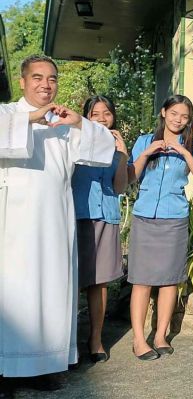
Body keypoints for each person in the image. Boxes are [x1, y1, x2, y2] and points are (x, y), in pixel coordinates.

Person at [0, 55, 115, 399]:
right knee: (13, 295)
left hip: (55, 219)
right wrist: (31, 118)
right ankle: (5, 372)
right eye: (37, 78)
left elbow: (103, 150)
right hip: (13, 223)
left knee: (52, 290)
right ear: (22, 81)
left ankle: (45, 367)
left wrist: (79, 122)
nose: (45, 85)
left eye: (52, 79)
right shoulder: (7, 114)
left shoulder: (63, 122)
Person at [128, 95, 193, 360]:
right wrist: (146, 152)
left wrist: (186, 153)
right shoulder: (144, 140)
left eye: (184, 116)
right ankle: (139, 339)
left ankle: (161, 334)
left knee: (169, 281)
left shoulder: (191, 145)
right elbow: (131, 177)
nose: (178, 119)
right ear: (164, 112)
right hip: (144, 217)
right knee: (141, 281)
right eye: (174, 113)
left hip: (174, 219)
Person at [71, 95, 129, 363]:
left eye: (107, 113)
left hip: (106, 215)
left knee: (99, 282)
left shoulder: (116, 149)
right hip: (77, 215)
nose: (103, 119)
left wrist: (122, 154)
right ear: (86, 118)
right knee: (71, 281)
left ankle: (95, 339)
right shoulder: (74, 141)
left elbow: (119, 187)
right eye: (95, 114)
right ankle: (66, 342)